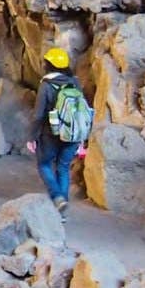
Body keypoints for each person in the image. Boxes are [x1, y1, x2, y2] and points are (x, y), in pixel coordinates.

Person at [26, 47, 91, 218]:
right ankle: (62, 212)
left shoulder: (46, 85)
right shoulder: (74, 82)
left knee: (44, 165)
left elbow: (38, 114)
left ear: (49, 65)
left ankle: (57, 197)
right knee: (62, 168)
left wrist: (32, 137)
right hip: (72, 134)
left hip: (50, 134)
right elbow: (81, 111)